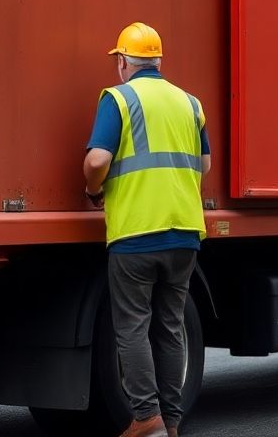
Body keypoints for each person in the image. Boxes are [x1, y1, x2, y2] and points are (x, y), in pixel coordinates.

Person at [83, 23, 211, 437]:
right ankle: (171, 423)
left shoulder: (118, 99)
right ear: (158, 61)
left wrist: (92, 189)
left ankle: (145, 416)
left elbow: (98, 159)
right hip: (185, 232)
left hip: (137, 232)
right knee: (170, 327)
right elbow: (205, 165)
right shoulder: (190, 103)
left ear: (123, 62)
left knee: (133, 326)